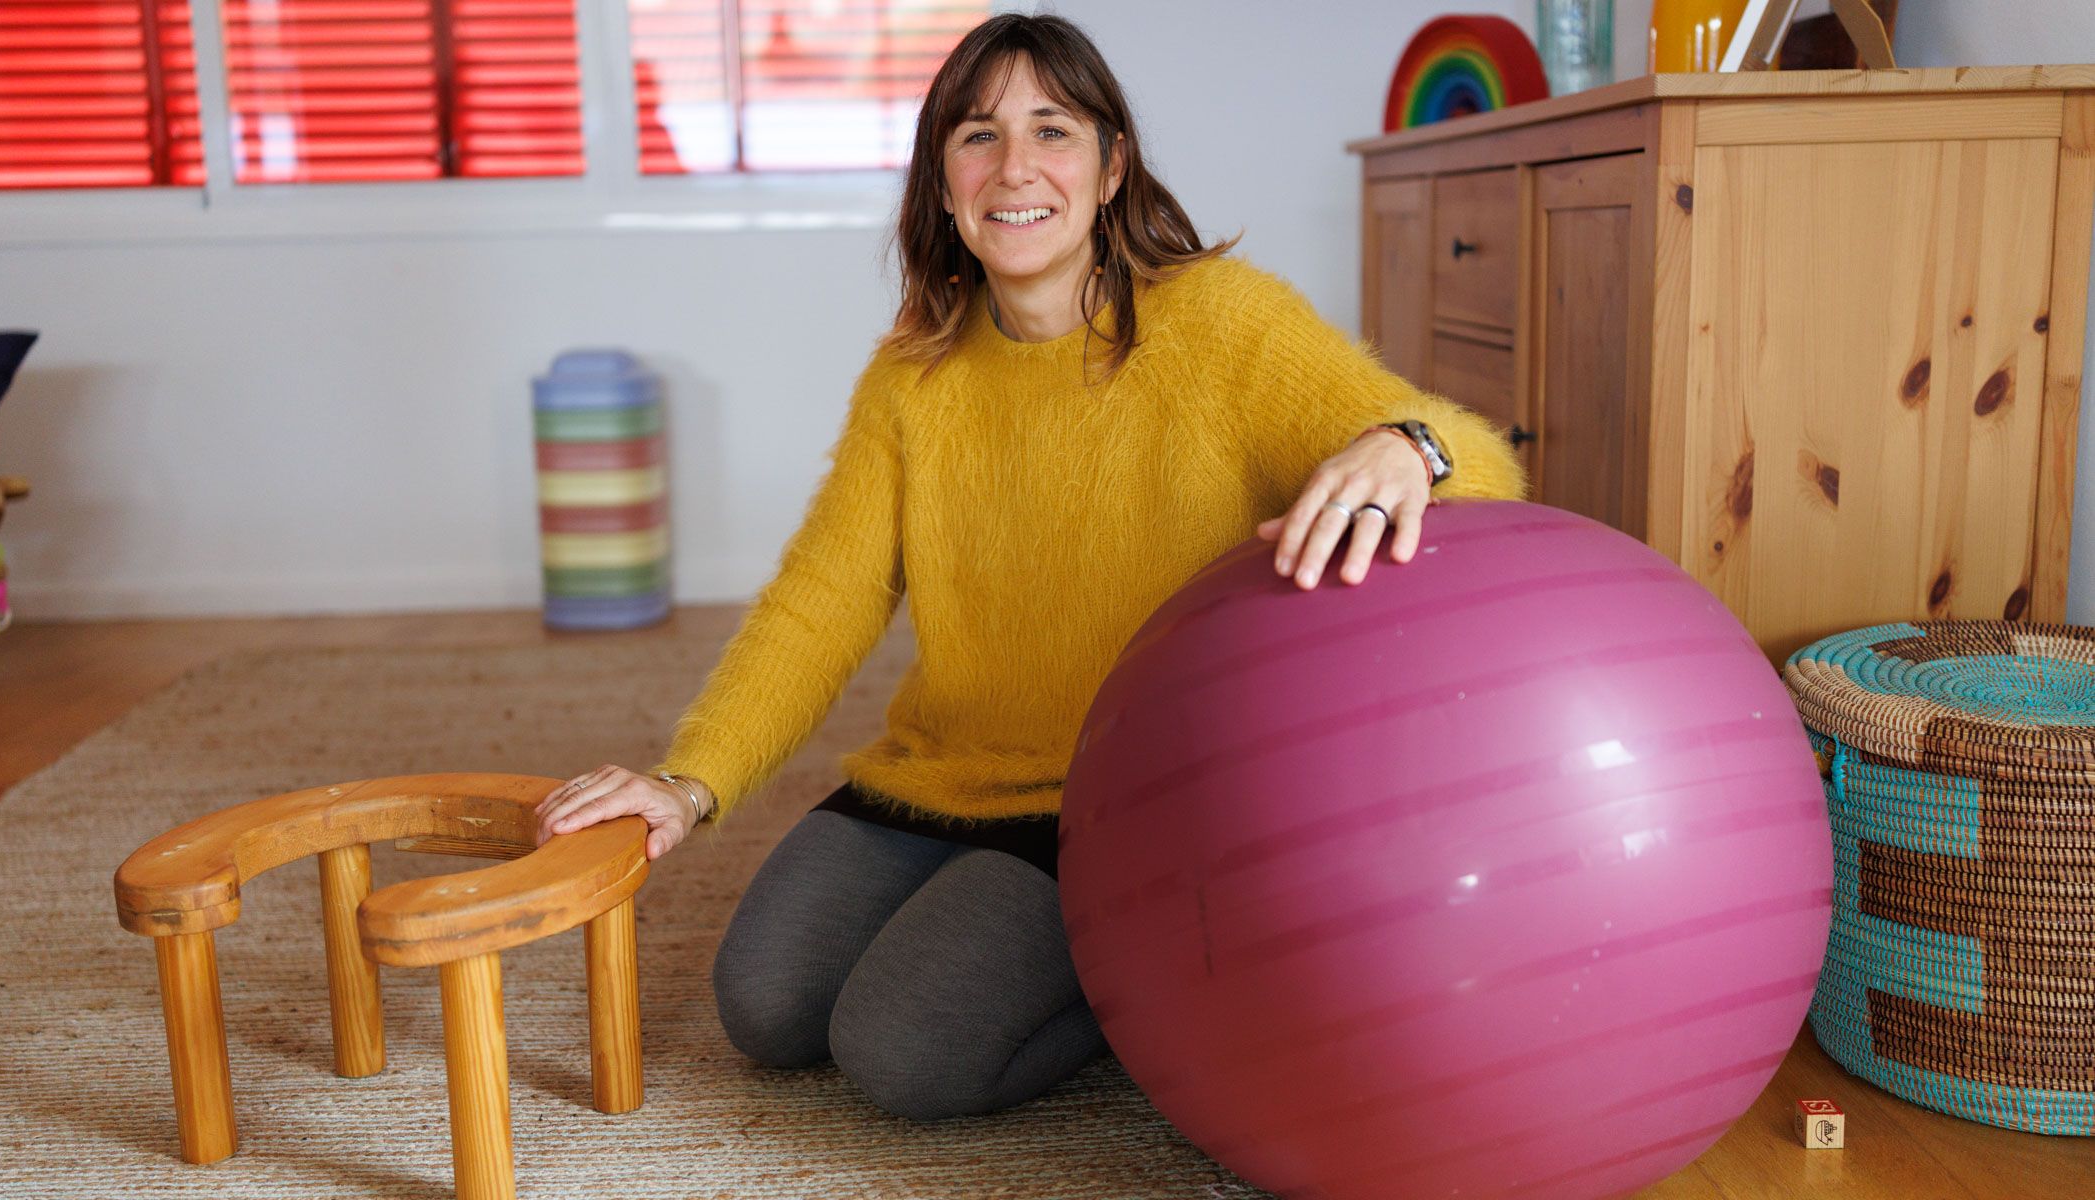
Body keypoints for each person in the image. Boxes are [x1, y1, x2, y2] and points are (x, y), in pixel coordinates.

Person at [533, 13, 1528, 1123]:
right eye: (977, 136)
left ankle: (1146, 977)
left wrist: (1410, 447)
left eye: (1051, 131)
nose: (1014, 168)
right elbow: (824, 598)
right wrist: (690, 779)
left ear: (1110, 168)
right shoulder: (913, 373)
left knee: (901, 1053)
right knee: (764, 1007)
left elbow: (1475, 459)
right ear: (942, 181)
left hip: (1125, 803)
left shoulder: (1223, 324)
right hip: (945, 771)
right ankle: (1017, 933)